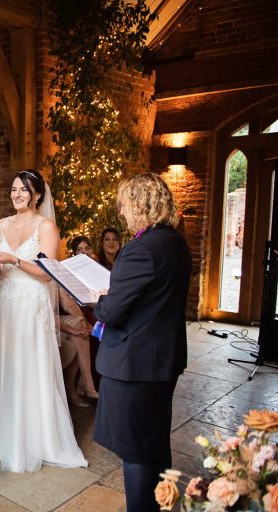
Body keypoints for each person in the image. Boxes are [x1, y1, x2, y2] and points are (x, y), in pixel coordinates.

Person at [0, 169, 87, 472]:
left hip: (32, 302)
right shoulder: (1, 225)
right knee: (2, 361)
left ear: (37, 195)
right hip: (4, 301)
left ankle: (34, 438)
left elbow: (46, 272)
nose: (17, 194)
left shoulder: (46, 226)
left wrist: (14, 260)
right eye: (14, 189)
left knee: (29, 364)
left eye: (24, 190)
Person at [92, 172, 191, 512]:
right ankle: (165, 506)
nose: (121, 212)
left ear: (138, 205)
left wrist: (101, 298)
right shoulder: (175, 242)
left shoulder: (140, 249)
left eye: (123, 205)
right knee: (156, 444)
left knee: (135, 452)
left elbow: (113, 311)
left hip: (134, 364)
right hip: (164, 358)